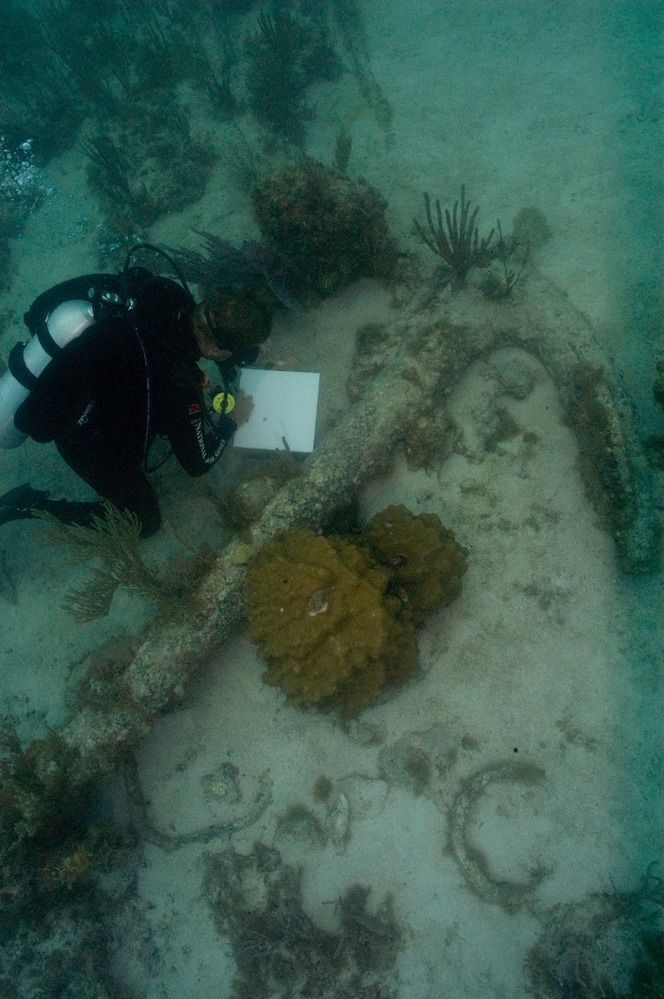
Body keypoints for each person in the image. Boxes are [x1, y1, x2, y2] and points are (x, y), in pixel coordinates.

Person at [0, 252, 273, 537]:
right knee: (144, 521)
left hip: (69, 385)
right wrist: (232, 420)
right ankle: (31, 506)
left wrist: (245, 354)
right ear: (218, 351)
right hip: (84, 440)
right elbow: (198, 462)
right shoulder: (178, 382)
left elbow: (206, 334)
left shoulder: (167, 295)